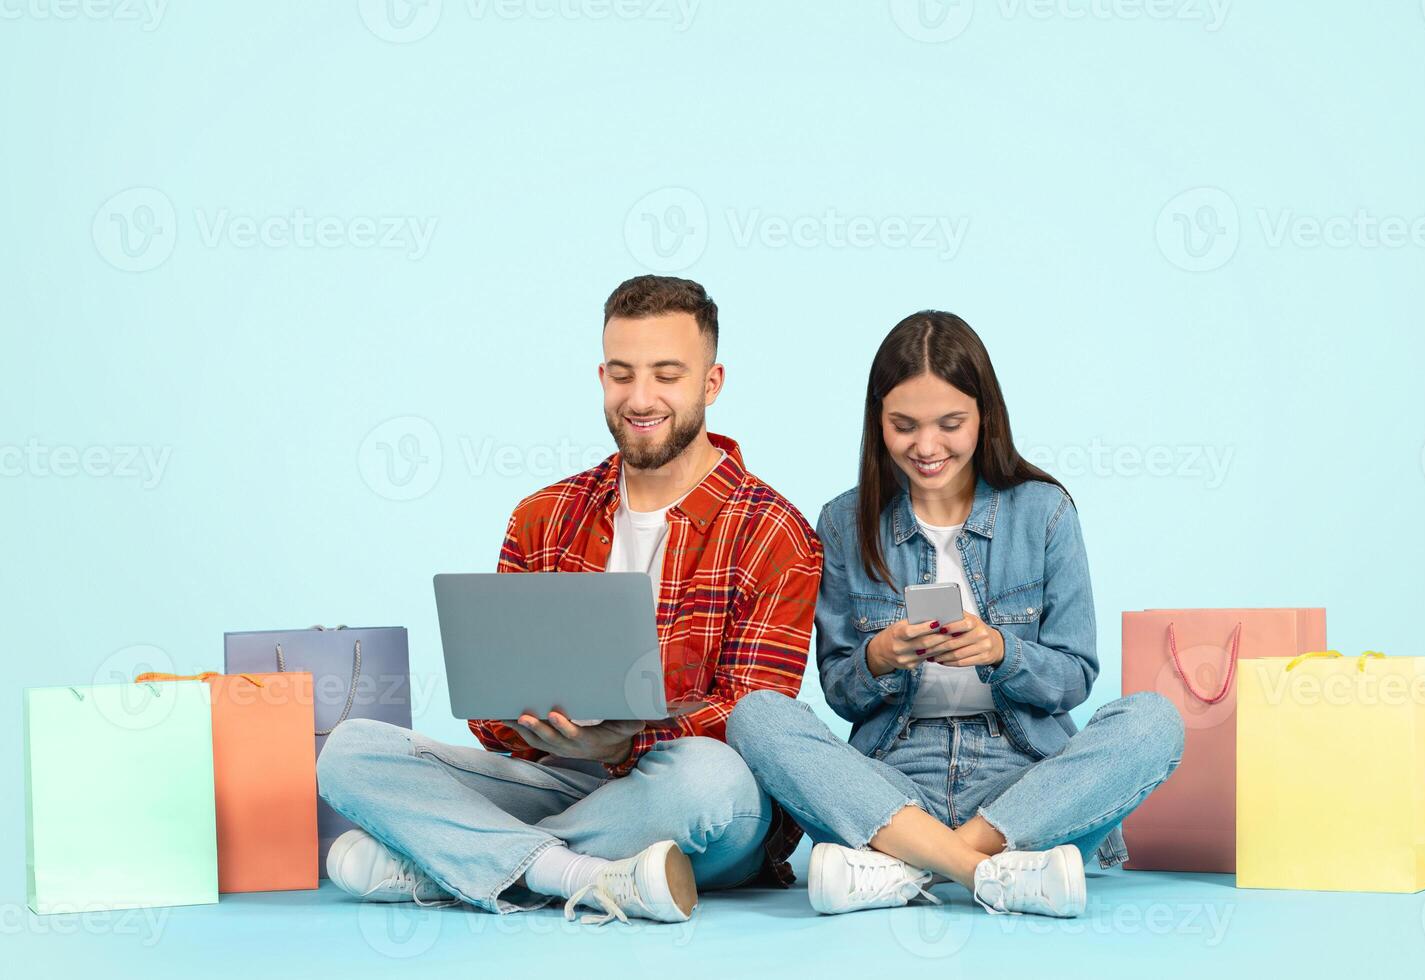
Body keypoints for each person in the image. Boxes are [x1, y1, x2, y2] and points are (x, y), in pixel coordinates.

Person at [316, 275, 822, 924]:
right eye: (621, 374)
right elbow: (492, 715)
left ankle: (449, 859)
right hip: (562, 780)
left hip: (689, 800)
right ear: (602, 375)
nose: (640, 398)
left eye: (667, 375)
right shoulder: (543, 516)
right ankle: (577, 874)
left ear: (711, 384)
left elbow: (756, 724)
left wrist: (620, 748)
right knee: (352, 751)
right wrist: (529, 723)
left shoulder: (773, 530)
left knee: (708, 779)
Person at [726, 310, 1184, 918]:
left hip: (1021, 778)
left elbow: (1075, 676)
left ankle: (910, 868)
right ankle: (991, 875)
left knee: (1153, 721)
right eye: (903, 426)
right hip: (894, 775)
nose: (927, 447)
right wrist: (877, 659)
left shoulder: (1044, 513)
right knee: (756, 716)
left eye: (950, 424)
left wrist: (1002, 652)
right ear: (877, 422)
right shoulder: (843, 523)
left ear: (984, 416)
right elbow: (840, 691)